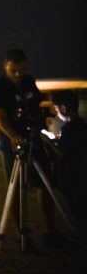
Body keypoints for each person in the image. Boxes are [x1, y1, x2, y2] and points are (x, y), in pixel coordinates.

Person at [0, 49, 67, 250]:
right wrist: (14, 136)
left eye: (21, 70)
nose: (17, 74)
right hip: (13, 143)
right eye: (13, 70)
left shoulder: (29, 81)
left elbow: (36, 105)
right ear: (5, 66)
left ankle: (52, 231)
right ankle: (23, 234)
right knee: (15, 188)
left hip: (33, 139)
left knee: (44, 184)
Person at [52, 90, 86, 237]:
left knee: (79, 212)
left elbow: (63, 153)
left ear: (63, 108)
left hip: (73, 179)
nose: (56, 112)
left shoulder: (69, 129)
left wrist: (49, 142)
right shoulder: (83, 125)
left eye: (56, 108)